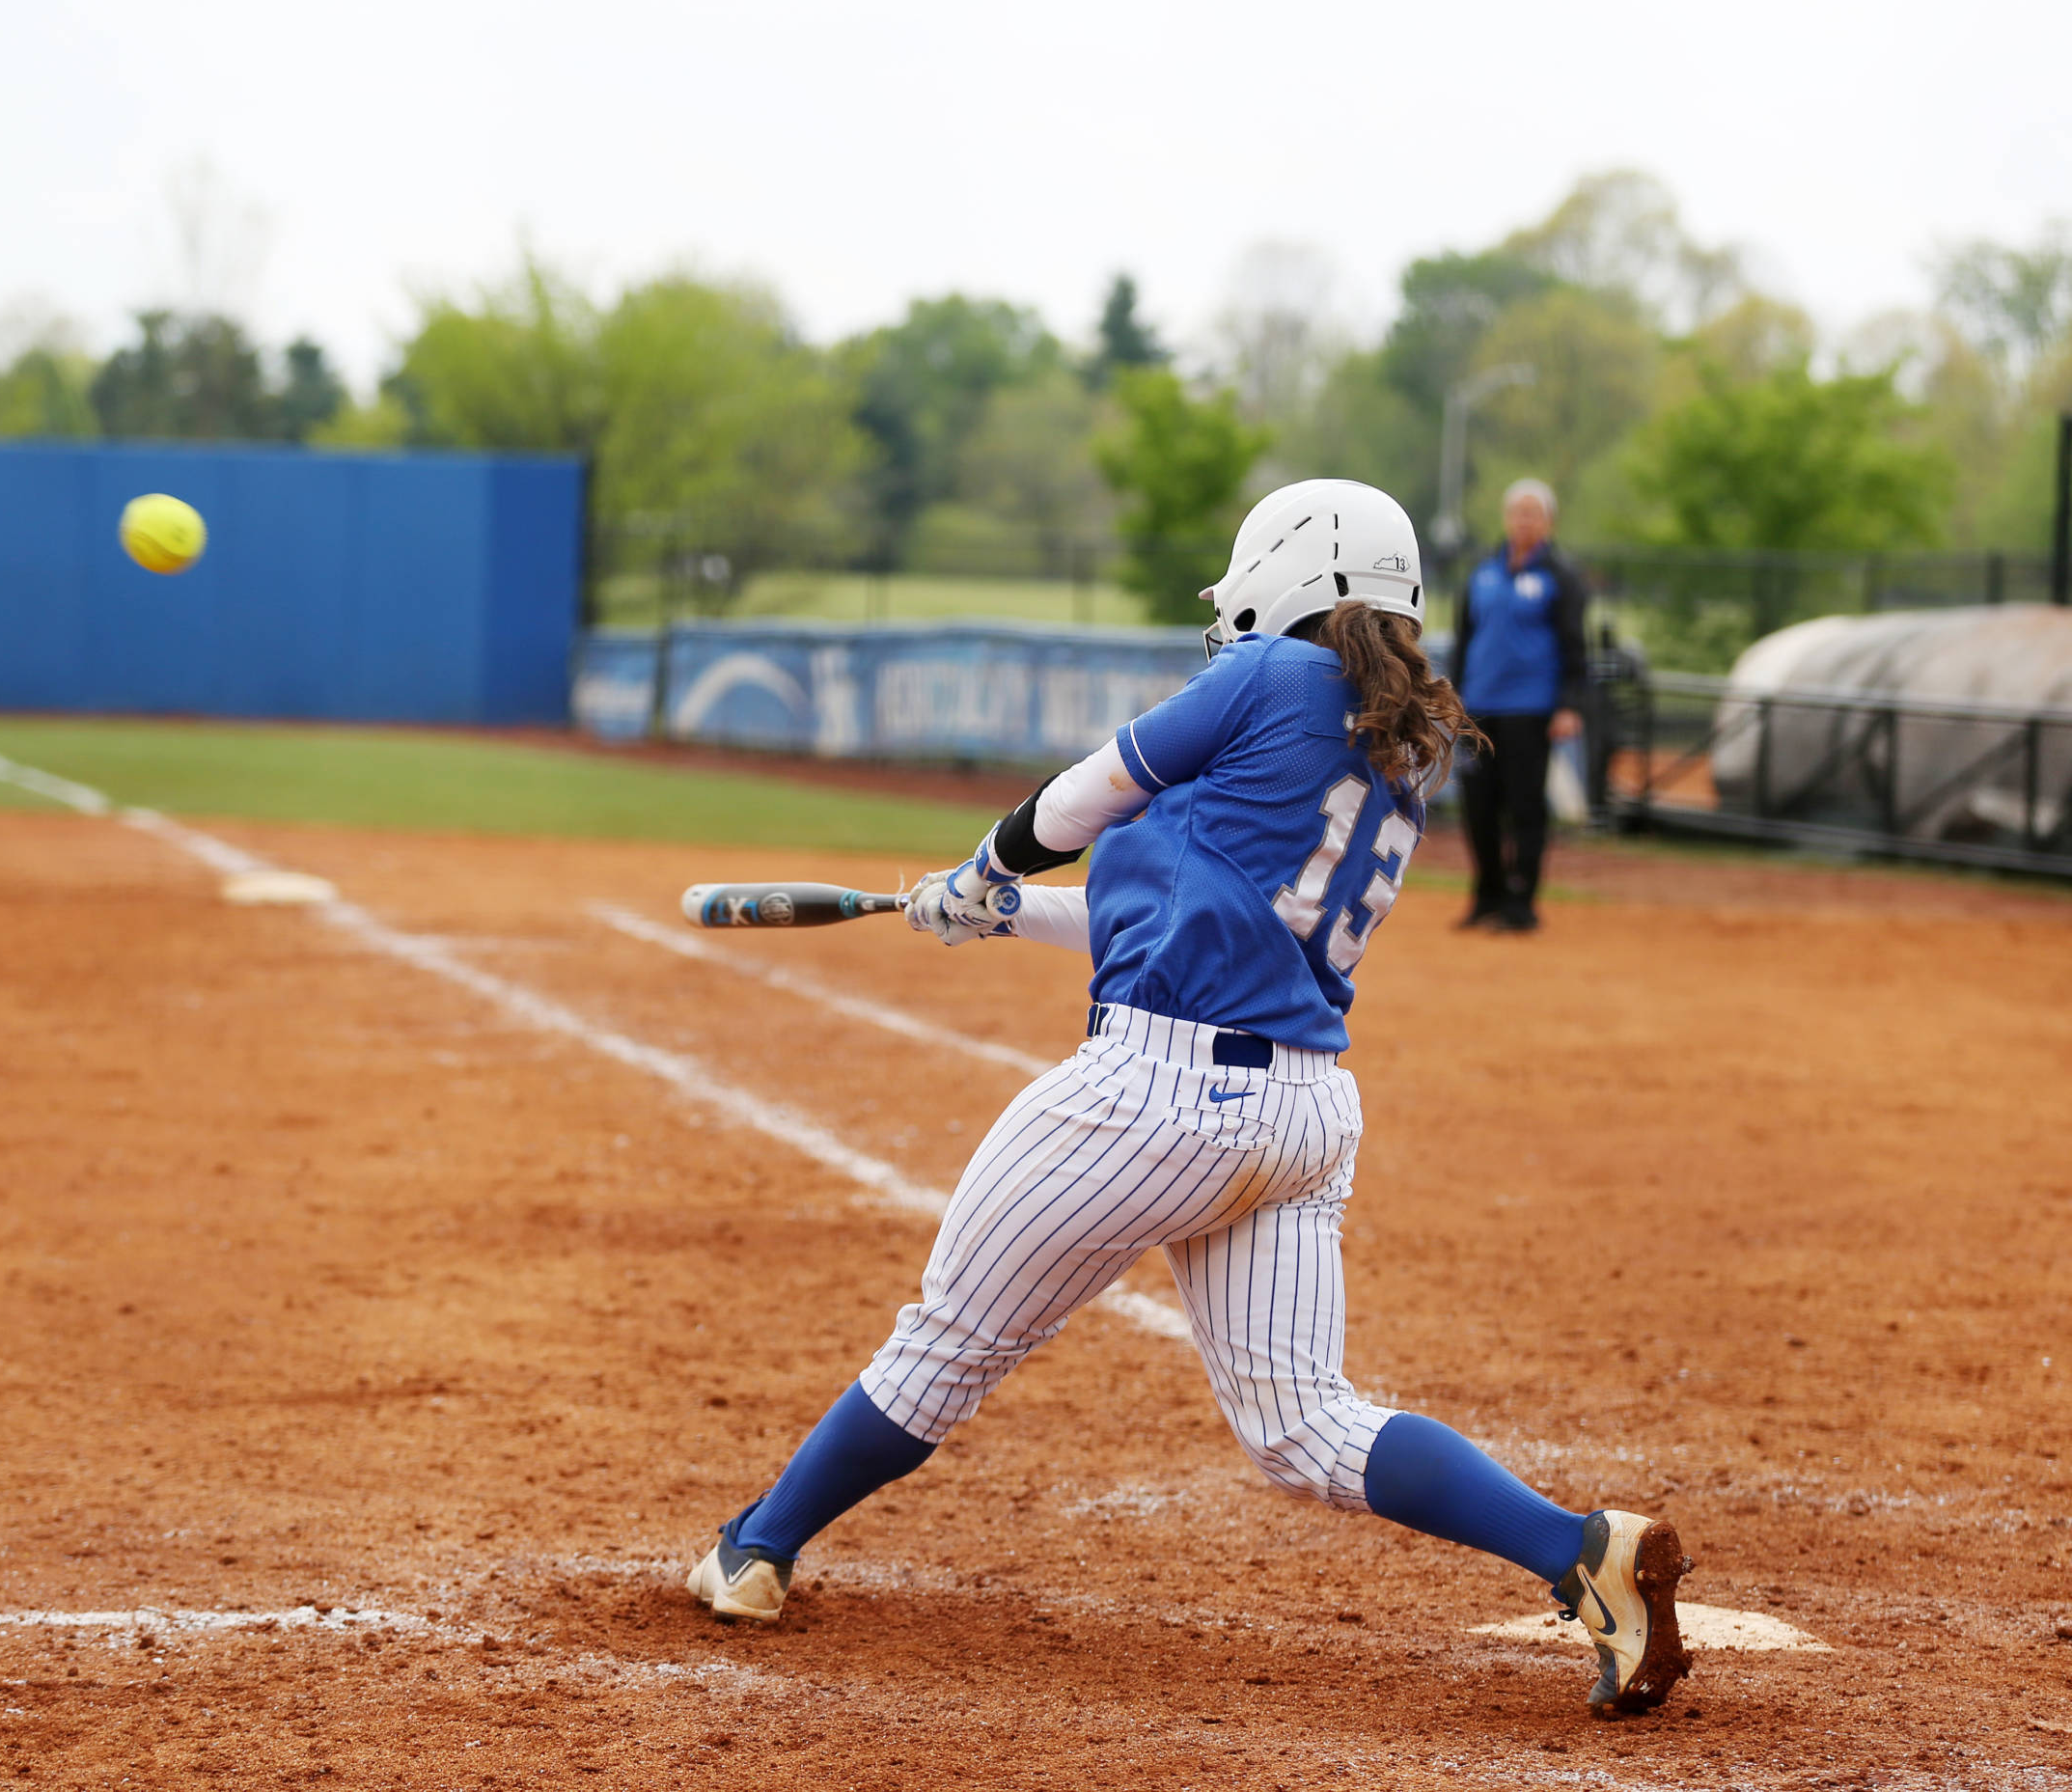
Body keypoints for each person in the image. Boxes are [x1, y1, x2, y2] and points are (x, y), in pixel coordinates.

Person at [683, 480, 1693, 1719]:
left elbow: (1076, 801)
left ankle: (757, 1544)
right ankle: (1578, 1548)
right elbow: (1170, 916)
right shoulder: (1395, 741)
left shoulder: (1266, 680)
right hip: (1299, 1113)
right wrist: (992, 907)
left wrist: (993, 861)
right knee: (1307, 1427)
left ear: (1292, 579)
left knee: (944, 1341)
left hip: (1151, 1097)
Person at [1450, 478, 1588, 932]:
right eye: (1518, 512)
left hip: (1531, 709)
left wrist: (1568, 705)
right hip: (1480, 705)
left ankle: (1521, 903)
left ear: (1548, 521)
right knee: (1479, 807)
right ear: (1507, 518)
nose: (1524, 520)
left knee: (1525, 807)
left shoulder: (1560, 575)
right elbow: (1464, 638)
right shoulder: (1482, 572)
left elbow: (1574, 645)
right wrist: (1453, 697)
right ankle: (1487, 895)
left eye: (1534, 513)